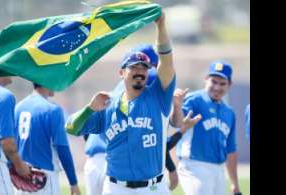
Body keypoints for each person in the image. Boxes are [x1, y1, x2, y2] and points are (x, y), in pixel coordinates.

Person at [65, 11, 201, 195]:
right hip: (116, 188)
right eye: (133, 67)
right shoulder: (107, 105)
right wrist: (89, 109)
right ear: (122, 73)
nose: (139, 71)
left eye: (143, 68)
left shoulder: (158, 97)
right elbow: (71, 128)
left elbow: (166, 61)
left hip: (154, 188)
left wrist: (160, 26)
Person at [82, 44, 191, 195]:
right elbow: (150, 136)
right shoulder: (146, 82)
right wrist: (171, 168)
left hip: (99, 159)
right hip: (120, 163)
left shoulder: (121, 87)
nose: (143, 70)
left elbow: (85, 131)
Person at [176, 61, 242, 195]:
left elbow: (231, 150)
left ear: (229, 85)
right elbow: (176, 123)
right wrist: (177, 106)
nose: (217, 87)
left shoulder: (229, 112)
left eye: (222, 83)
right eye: (214, 81)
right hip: (194, 166)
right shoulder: (194, 100)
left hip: (218, 171)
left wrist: (235, 183)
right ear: (206, 79)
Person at [14, 83, 81, 195]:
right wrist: (73, 182)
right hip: (44, 178)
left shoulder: (18, 107)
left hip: (22, 178)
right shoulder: (52, 109)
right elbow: (62, 149)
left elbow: (11, 144)